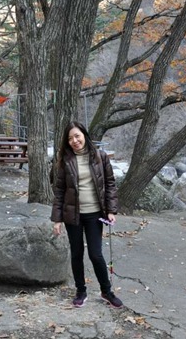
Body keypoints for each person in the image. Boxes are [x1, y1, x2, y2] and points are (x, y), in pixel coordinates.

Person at [51, 121, 123, 309]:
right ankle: (80, 291)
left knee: (96, 254)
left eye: (77, 136)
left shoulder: (100, 157)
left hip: (94, 214)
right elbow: (59, 190)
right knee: (76, 253)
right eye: (70, 138)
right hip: (72, 215)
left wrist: (111, 210)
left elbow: (110, 184)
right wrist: (57, 219)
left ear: (84, 135)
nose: (74, 140)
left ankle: (106, 291)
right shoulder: (65, 161)